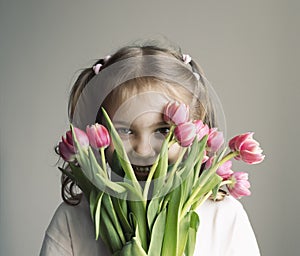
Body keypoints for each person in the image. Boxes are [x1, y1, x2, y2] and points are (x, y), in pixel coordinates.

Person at [40, 40, 261, 255]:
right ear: (96, 129)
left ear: (196, 127)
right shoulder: (74, 219)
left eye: (164, 131)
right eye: (124, 131)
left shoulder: (223, 215)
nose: (143, 151)